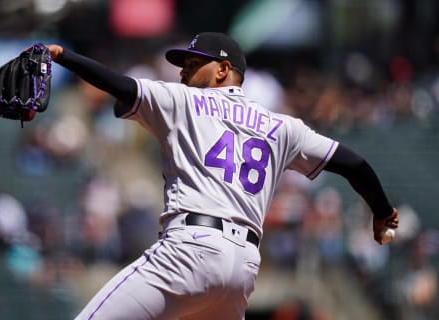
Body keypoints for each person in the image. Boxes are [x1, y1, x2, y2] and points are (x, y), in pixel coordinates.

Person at [46, 32, 399, 320]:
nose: (184, 71)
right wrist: (382, 212)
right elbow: (355, 165)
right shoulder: (283, 126)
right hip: (241, 269)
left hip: (190, 249)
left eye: (194, 63)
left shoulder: (183, 100)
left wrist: (63, 56)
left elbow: (121, 85)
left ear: (223, 69)